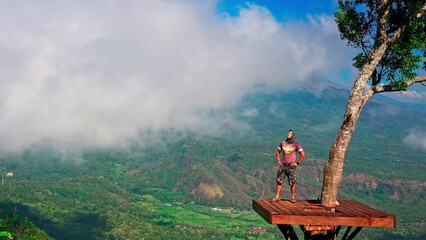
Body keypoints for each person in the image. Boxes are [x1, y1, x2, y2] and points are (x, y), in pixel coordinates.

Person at [271, 130, 305, 203]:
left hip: (291, 166)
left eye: (290, 133)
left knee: (292, 182)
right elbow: (277, 152)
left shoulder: (296, 144)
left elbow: (302, 154)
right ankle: (277, 196)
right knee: (279, 181)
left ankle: (292, 197)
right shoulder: (282, 143)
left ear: (293, 135)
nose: (288, 134)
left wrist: (297, 163)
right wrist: (278, 161)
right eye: (288, 133)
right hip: (283, 165)